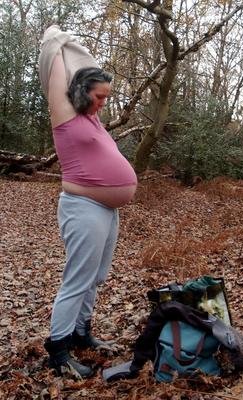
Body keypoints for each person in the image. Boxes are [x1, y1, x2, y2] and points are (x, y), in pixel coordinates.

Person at [39, 27, 137, 378]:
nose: (103, 103)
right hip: (83, 207)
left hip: (106, 209)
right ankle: (59, 349)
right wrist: (56, 37)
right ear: (81, 93)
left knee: (94, 276)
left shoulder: (91, 118)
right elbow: (56, 65)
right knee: (77, 279)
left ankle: (81, 332)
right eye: (99, 97)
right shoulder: (64, 115)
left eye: (106, 98)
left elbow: (87, 66)